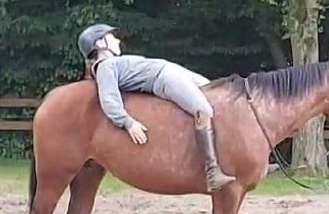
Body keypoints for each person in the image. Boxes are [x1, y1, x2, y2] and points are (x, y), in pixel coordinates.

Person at [76, 22, 236, 193]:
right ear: (100, 44)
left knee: (218, 95)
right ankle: (212, 171)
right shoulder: (105, 66)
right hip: (164, 78)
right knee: (203, 110)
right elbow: (109, 99)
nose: (116, 40)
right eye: (110, 36)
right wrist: (128, 123)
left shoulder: (113, 63)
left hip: (170, 71)